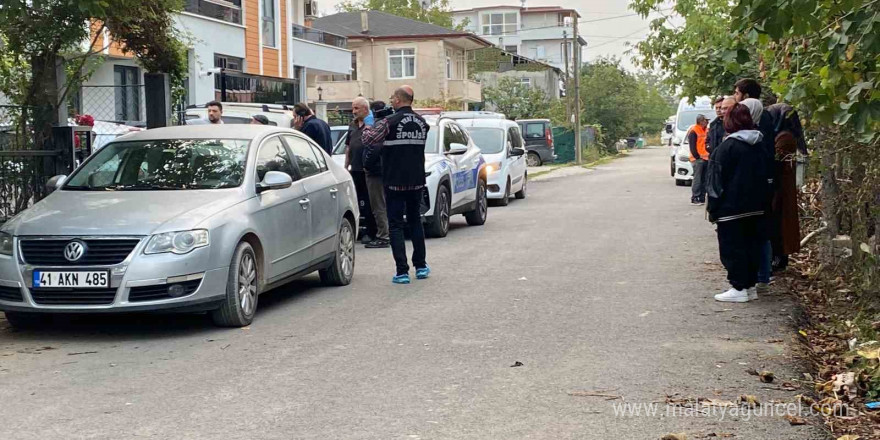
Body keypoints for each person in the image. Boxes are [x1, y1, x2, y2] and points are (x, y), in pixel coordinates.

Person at [361, 86, 430, 284]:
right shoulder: (422, 122)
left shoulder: (389, 122)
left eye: (392, 98)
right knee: (415, 221)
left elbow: (368, 139)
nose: (391, 101)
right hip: (416, 180)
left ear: (399, 100)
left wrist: (369, 124)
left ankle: (402, 271)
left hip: (394, 181)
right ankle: (421, 266)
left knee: (396, 225)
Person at [707, 103, 772, 303]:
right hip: (757, 208)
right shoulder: (760, 144)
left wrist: (713, 209)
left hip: (731, 209)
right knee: (752, 246)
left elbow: (716, 181)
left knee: (732, 248)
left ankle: (738, 287)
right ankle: (750, 286)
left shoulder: (728, 147)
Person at [766, 103, 805, 271]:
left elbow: (776, 161)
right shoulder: (783, 135)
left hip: (781, 187)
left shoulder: (785, 138)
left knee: (779, 223)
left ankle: (779, 257)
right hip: (780, 185)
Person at [344, 97, 380, 246]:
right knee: (358, 201)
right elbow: (348, 147)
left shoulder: (373, 124)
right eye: (353, 108)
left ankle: (371, 231)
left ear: (365, 109)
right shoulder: (352, 126)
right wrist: (346, 167)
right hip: (355, 169)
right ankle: (360, 230)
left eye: (356, 108)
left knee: (370, 202)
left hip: (368, 170)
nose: (354, 111)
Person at [687, 114, 710, 205]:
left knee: (704, 179)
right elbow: (692, 146)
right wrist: (697, 157)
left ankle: (702, 197)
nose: (707, 122)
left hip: (706, 158)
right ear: (700, 121)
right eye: (705, 120)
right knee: (697, 179)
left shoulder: (706, 130)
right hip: (698, 159)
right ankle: (695, 197)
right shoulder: (694, 131)